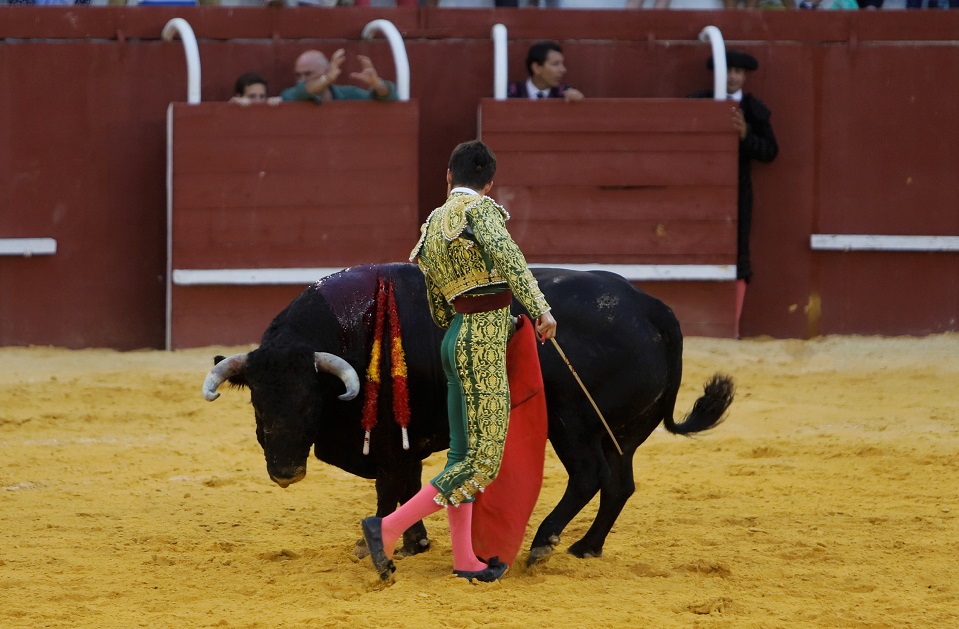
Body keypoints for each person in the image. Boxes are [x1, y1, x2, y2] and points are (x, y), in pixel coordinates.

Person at [361, 140, 557, 583]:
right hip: (483, 339)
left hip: (453, 338)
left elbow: (433, 296)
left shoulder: (433, 223)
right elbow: (508, 257)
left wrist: (462, 323)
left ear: (448, 176)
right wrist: (540, 309)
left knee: (460, 457)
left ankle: (465, 557)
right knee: (483, 460)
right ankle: (387, 527)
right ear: (489, 183)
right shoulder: (482, 211)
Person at [689, 50, 778, 338]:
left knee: (739, 253)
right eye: (729, 70)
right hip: (698, 190)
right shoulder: (698, 103)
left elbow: (770, 152)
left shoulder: (753, 109)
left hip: (739, 190)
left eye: (739, 72)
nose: (733, 76)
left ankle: (733, 326)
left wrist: (745, 137)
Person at [280, 49, 397, 104]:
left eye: (308, 74)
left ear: (326, 71)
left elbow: (389, 97)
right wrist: (326, 78)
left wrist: (377, 84)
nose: (302, 80)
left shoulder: (348, 94)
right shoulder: (290, 95)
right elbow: (301, 92)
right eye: (298, 75)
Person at [507, 41, 584, 102]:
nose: (563, 70)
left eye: (562, 64)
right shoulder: (510, 93)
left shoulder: (566, 94)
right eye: (555, 64)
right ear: (536, 68)